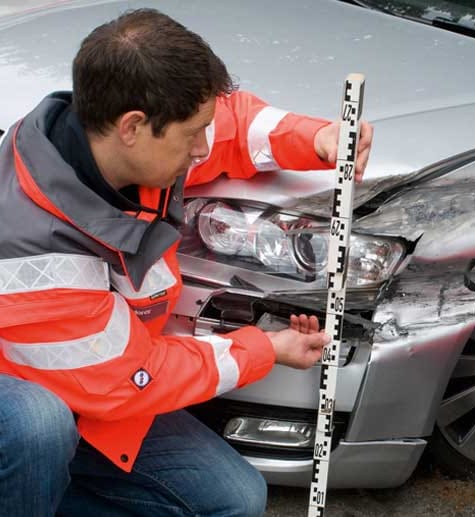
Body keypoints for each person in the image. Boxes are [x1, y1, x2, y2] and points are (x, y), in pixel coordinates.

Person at [0, 8, 373, 517]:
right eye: (190, 135)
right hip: (51, 391)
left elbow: (234, 123)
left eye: (204, 128)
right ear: (133, 126)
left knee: (237, 501)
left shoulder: (119, 139)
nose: (203, 148)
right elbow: (128, 380)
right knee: (36, 425)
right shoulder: (35, 247)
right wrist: (265, 347)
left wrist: (315, 138)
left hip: (97, 387)